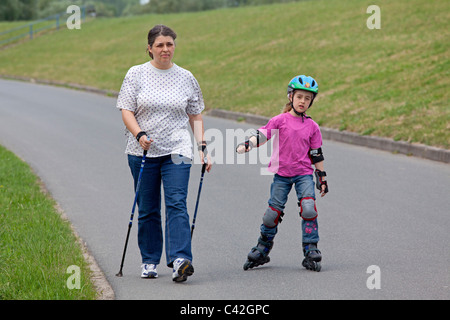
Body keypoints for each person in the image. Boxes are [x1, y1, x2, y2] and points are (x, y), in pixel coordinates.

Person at [116, 24, 211, 282]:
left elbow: (195, 114)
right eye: (160, 45)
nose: (165, 49)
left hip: (177, 150)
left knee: (177, 202)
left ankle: (180, 259)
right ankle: (149, 260)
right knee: (147, 208)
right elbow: (126, 110)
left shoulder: (186, 77)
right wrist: (139, 134)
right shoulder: (136, 74)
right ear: (149, 48)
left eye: (169, 44)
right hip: (141, 151)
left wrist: (203, 147)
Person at [237, 75, 328, 272]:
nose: (303, 101)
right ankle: (262, 248)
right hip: (282, 174)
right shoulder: (280, 120)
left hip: (304, 173)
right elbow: (263, 134)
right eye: (299, 97)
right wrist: (248, 144)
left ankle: (311, 249)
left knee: (309, 208)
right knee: (272, 214)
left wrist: (322, 178)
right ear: (290, 97)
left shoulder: (312, 126)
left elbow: (316, 154)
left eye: (307, 98)